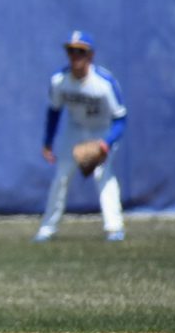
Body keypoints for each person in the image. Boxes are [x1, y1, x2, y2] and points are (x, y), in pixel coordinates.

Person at [34, 31, 127, 242]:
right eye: (71, 51)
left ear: (90, 55)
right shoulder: (60, 81)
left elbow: (120, 119)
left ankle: (114, 228)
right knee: (61, 176)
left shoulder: (104, 83)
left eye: (80, 51)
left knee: (102, 174)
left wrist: (107, 143)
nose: (75, 56)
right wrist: (47, 142)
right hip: (75, 129)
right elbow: (54, 112)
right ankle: (47, 229)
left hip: (102, 130)